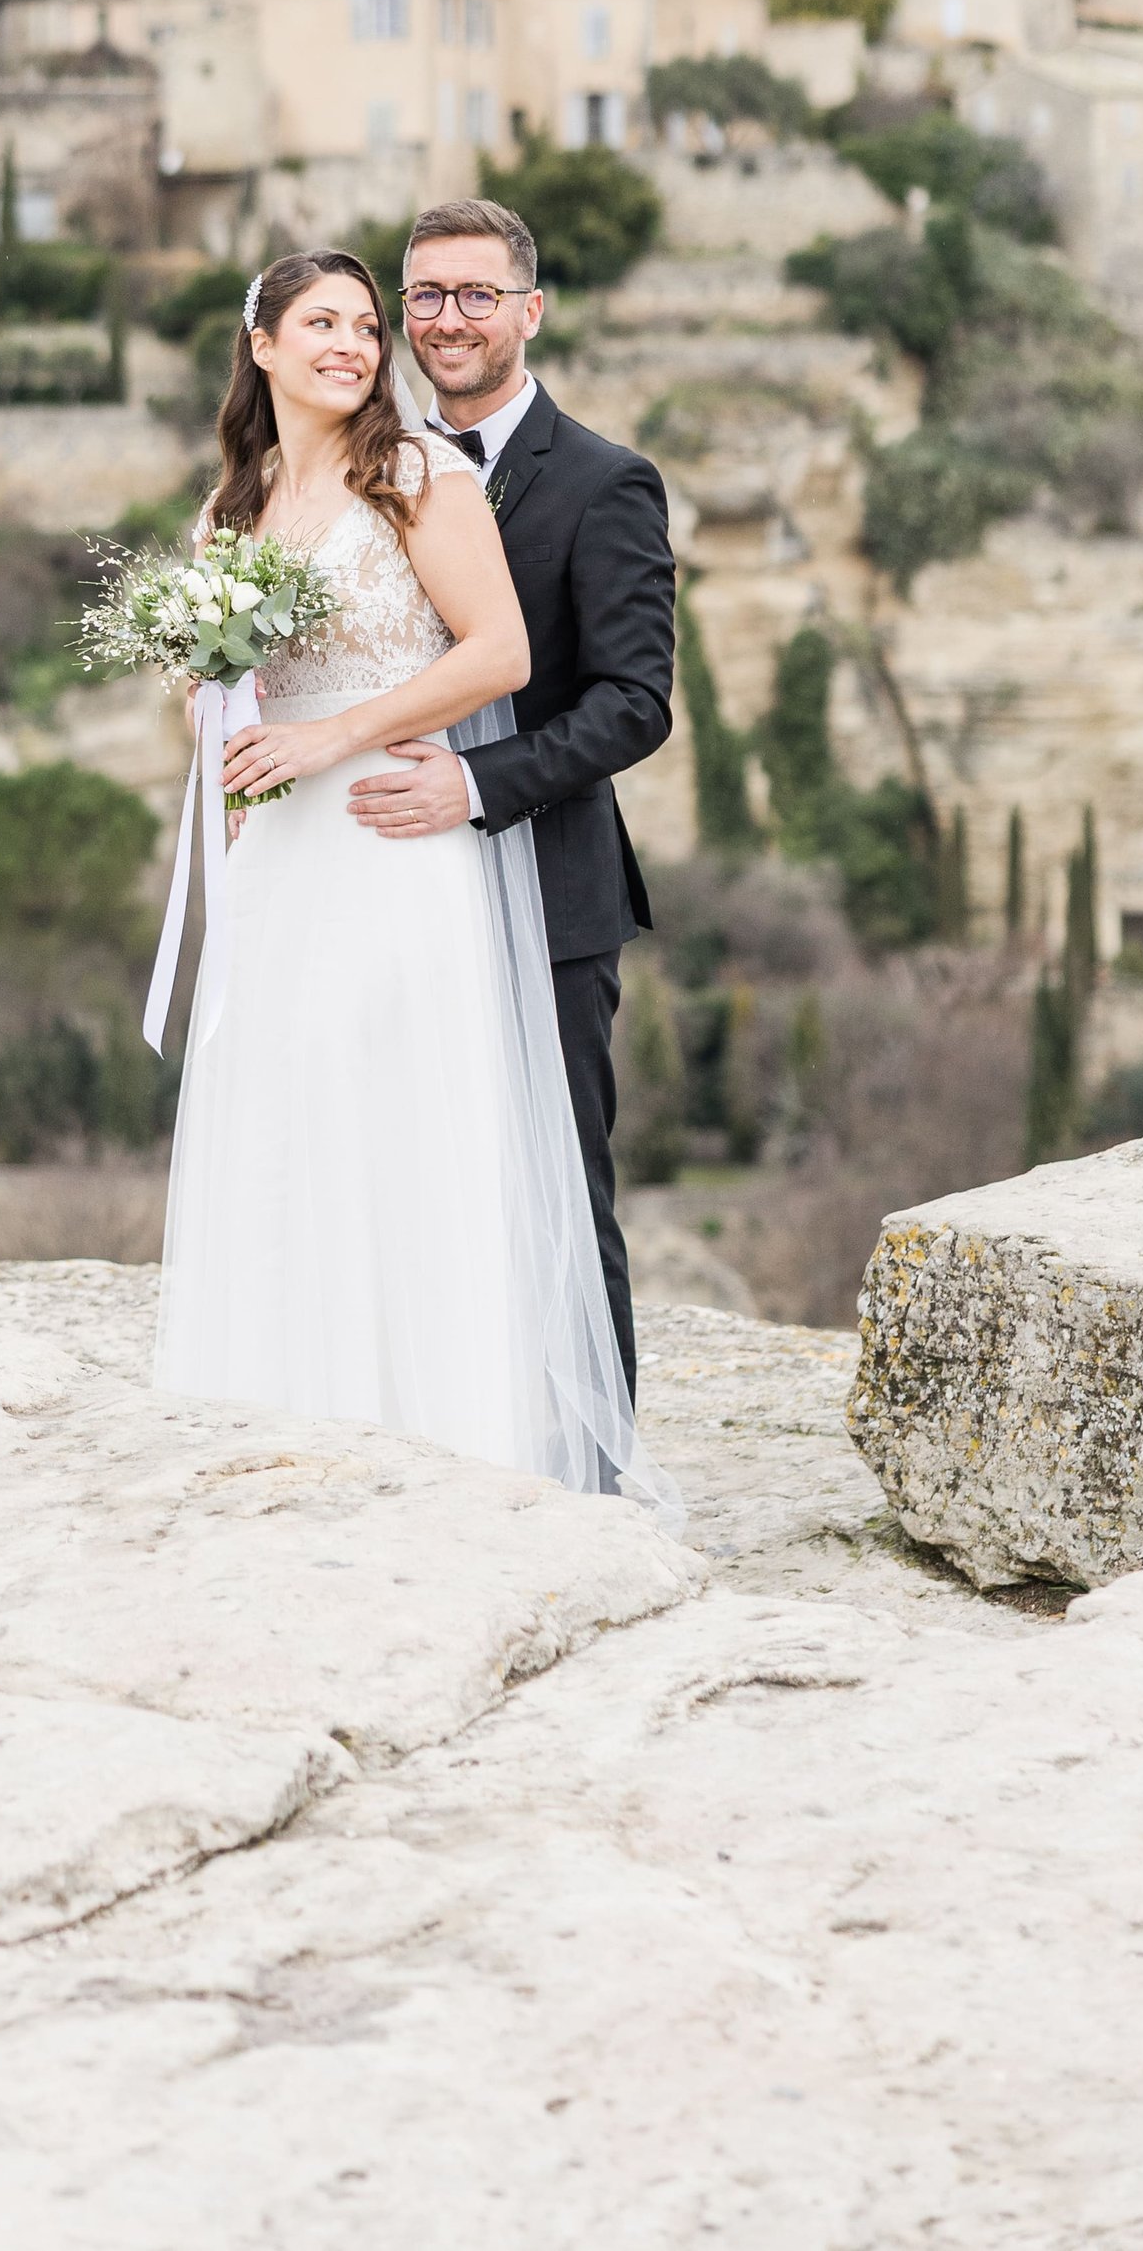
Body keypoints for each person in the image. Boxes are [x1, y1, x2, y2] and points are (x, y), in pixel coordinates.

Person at [151, 246, 660, 1502]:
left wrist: (332, 736)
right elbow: (209, 705)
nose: (358, 342)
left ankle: (484, 1457)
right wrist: (216, 713)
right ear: (258, 344)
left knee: (420, 1140)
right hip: (282, 860)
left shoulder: (419, 476)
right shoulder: (230, 510)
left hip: (399, 841)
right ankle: (293, 1433)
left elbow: (506, 652)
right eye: (324, 322)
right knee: (287, 1129)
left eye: (365, 324)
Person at [344, 197, 675, 1395]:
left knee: (557, 1184)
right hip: (381, 886)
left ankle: (595, 1467)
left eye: (478, 294)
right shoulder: (357, 475)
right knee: (406, 1175)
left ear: (530, 312)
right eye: (425, 294)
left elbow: (635, 702)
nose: (449, 319)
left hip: (547, 889)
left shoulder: (604, 482)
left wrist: (478, 787)